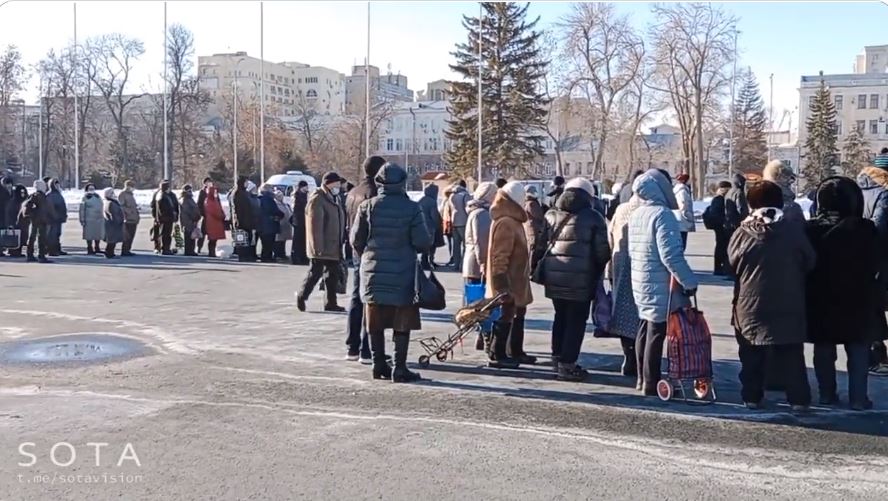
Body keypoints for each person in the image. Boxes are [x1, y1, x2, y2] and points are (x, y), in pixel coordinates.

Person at [728, 180, 814, 411]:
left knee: (751, 352)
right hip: (789, 300)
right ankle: (798, 400)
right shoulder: (793, 229)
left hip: (750, 303)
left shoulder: (742, 232)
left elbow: (732, 263)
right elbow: (810, 260)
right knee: (791, 353)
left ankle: (752, 397)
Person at [805, 177, 885, 410]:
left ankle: (826, 394)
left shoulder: (811, 229)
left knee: (823, 348)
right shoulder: (865, 229)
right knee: (858, 349)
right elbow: (878, 261)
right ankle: (859, 398)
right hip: (858, 297)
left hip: (820, 297)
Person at [351, 162, 432, 383]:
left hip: (373, 271)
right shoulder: (412, 208)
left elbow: (355, 240)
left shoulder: (367, 207)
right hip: (403, 272)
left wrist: (369, 257)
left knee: (375, 320)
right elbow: (423, 242)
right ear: (403, 183)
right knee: (401, 320)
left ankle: (378, 365)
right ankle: (399, 368)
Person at [628, 169, 699, 396]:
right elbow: (671, 255)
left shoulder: (637, 213)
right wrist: (688, 281)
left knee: (645, 326)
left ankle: (642, 378)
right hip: (659, 280)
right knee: (657, 330)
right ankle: (652, 382)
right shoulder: (663, 215)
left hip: (641, 277)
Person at [541, 178, 611, 381]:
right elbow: (601, 252)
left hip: (554, 277)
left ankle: (557, 357)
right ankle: (568, 364)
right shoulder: (593, 217)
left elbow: (538, 245)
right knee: (576, 321)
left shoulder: (551, 215)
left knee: (560, 316)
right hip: (581, 280)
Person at [485, 181, 534, 369]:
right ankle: (497, 354)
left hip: (517, 280)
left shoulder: (512, 220)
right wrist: (501, 285)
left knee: (518, 314)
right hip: (509, 282)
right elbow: (499, 257)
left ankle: (516, 350)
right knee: (507, 315)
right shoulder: (506, 222)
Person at [344, 156, 386, 362]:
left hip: (355, 249)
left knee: (356, 297)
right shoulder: (374, 194)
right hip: (370, 251)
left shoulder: (353, 192)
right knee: (370, 299)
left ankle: (352, 346)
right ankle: (367, 349)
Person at [607, 183, 644, 376]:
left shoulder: (621, 210)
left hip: (619, 266)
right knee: (644, 318)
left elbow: (610, 237)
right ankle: (641, 362)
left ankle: (628, 358)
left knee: (623, 314)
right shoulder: (650, 211)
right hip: (643, 268)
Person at [297, 172, 346, 312]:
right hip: (321, 245)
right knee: (315, 273)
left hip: (333, 244)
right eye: (337, 183)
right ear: (329, 183)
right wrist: (317, 246)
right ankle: (302, 296)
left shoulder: (334, 198)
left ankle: (331, 302)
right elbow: (314, 225)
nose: (339, 186)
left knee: (332, 276)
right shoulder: (318, 199)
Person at [857, 163, 888, 376]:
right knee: (876, 306)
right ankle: (878, 358)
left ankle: (872, 356)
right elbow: (881, 227)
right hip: (880, 257)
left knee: (869, 306)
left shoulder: (856, 194)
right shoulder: (883, 196)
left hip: (859, 257)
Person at [462, 182, 497, 352]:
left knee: (477, 302)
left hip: (471, 263)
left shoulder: (475, 211)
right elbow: (480, 242)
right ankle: (485, 335)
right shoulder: (482, 214)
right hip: (477, 265)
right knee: (482, 303)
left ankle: (482, 334)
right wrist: (483, 262)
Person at [20, 179, 54, 263]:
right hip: (39, 220)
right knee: (39, 238)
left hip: (39, 219)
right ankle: (39, 255)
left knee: (35, 237)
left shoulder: (39, 196)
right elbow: (29, 206)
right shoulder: (37, 196)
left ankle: (32, 254)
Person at [762, 160, 805, 226]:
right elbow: (802, 232)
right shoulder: (791, 208)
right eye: (787, 177)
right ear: (778, 178)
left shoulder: (757, 208)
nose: (791, 181)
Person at [703, 181, 731, 275]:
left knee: (720, 246)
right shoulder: (719, 199)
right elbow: (717, 214)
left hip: (719, 226)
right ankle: (718, 268)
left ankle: (719, 267)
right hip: (720, 226)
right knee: (721, 246)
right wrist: (724, 222)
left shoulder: (718, 199)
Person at [417, 183, 443, 270]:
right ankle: (426, 262)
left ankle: (427, 261)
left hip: (422, 225)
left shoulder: (421, 200)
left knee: (426, 245)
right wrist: (438, 224)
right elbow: (434, 215)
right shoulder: (432, 202)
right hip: (430, 226)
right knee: (431, 245)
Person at [447, 180, 471, 271]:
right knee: (466, 245)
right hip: (464, 222)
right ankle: (463, 264)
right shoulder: (465, 195)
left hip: (454, 222)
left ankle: (455, 264)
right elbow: (468, 209)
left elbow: (449, 209)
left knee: (456, 245)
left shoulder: (452, 195)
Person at [231, 176, 256, 262]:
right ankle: (242, 256)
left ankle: (248, 255)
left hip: (248, 220)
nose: (247, 184)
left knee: (248, 238)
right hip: (241, 220)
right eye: (246, 182)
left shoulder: (245, 193)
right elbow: (237, 209)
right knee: (241, 239)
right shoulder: (237, 193)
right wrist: (238, 221)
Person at [151, 180, 178, 255]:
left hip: (166, 218)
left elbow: (175, 205)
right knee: (164, 234)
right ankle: (163, 248)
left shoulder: (170, 195)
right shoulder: (161, 195)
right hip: (165, 218)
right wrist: (157, 217)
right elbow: (160, 208)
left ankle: (165, 248)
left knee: (165, 234)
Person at [524, 185, 545, 270]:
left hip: (530, 229)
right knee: (534, 249)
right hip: (534, 230)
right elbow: (539, 216)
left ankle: (530, 268)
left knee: (531, 248)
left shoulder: (526, 202)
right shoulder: (532, 203)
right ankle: (532, 269)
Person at [79, 183, 105, 255]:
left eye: (93, 188)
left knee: (98, 234)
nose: (92, 190)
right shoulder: (85, 198)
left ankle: (97, 248)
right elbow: (82, 210)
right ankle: (89, 248)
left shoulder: (98, 196)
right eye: (90, 189)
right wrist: (82, 219)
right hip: (89, 219)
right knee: (89, 235)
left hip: (98, 219)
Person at [202, 185, 226, 257]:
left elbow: (219, 209)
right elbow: (213, 211)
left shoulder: (214, 200)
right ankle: (211, 252)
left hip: (216, 222)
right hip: (212, 222)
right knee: (212, 238)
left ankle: (212, 252)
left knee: (214, 238)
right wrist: (221, 216)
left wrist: (222, 215)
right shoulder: (208, 200)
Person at [45, 178, 68, 256]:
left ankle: (57, 248)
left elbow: (63, 205)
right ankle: (51, 250)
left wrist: (64, 215)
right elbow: (49, 207)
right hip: (52, 218)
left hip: (59, 218)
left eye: (58, 184)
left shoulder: (58, 194)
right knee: (52, 235)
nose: (57, 186)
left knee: (58, 234)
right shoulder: (49, 195)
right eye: (56, 184)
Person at [672, 173, 695, 250]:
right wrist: (687, 216)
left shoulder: (677, 190)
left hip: (678, 218)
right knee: (682, 244)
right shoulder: (683, 191)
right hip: (682, 219)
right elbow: (683, 205)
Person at [118, 180, 140, 257]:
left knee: (131, 235)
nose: (133, 188)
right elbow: (122, 206)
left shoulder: (130, 195)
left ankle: (128, 249)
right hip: (128, 219)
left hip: (134, 218)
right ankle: (124, 250)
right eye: (132, 187)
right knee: (127, 236)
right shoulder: (122, 194)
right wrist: (129, 212)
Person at [290, 180, 310, 265]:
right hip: (298, 220)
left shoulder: (305, 195)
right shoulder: (296, 196)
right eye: (306, 186)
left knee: (303, 240)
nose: (307, 188)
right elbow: (296, 209)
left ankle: (303, 257)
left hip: (304, 220)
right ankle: (296, 257)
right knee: (297, 240)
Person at [5, 184, 27, 257]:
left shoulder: (23, 201)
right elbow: (9, 213)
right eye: (21, 192)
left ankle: (17, 251)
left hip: (22, 223)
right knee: (15, 236)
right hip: (15, 223)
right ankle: (13, 251)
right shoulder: (13, 202)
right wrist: (10, 223)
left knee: (21, 238)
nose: (22, 194)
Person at [178, 185, 201, 257]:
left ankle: (191, 250)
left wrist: (197, 216)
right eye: (189, 190)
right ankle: (188, 251)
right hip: (187, 220)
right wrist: (194, 217)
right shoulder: (184, 199)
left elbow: (195, 208)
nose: (190, 192)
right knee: (188, 236)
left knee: (192, 236)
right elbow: (188, 210)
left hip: (192, 221)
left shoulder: (190, 198)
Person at [102, 187, 124, 259]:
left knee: (112, 239)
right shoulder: (110, 202)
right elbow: (113, 214)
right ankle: (109, 253)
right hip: (112, 224)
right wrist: (118, 221)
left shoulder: (110, 201)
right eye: (112, 193)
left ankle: (110, 252)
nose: (113, 194)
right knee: (112, 240)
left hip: (111, 223)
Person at [196, 177, 213, 254]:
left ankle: (211, 250)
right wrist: (203, 213)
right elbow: (199, 204)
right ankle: (199, 247)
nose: (209, 183)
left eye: (210, 182)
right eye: (207, 182)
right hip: (205, 216)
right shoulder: (202, 192)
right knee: (203, 233)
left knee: (212, 234)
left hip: (212, 216)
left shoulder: (213, 191)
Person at [274, 189, 292, 261]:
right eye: (278, 196)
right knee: (278, 241)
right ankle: (278, 254)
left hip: (286, 224)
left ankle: (283, 254)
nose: (280, 197)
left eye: (281, 196)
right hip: (279, 224)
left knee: (284, 241)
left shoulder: (285, 204)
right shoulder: (275, 204)